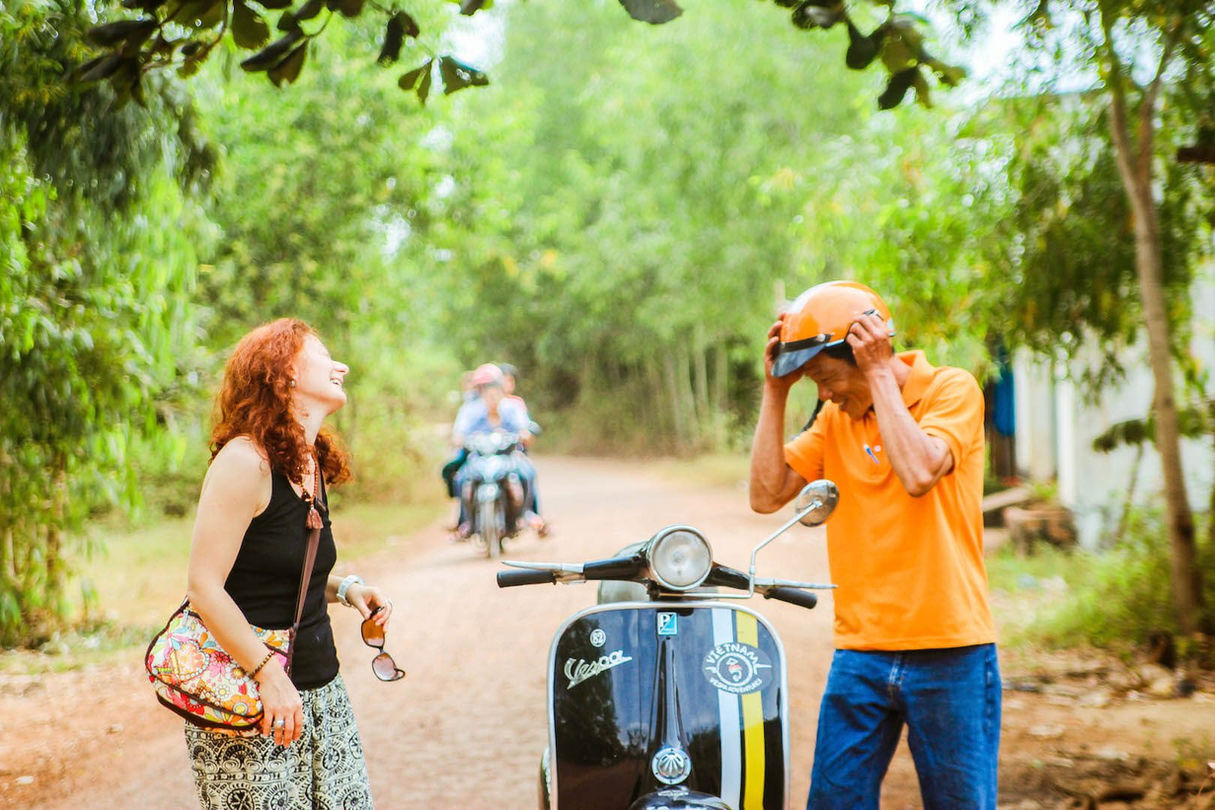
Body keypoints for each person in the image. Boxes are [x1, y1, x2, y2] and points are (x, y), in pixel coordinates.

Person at [748, 280, 999, 810]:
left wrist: (881, 373)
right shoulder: (836, 420)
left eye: (825, 377)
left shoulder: (952, 391)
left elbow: (919, 471)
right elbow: (766, 494)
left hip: (949, 649)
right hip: (859, 652)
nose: (823, 393)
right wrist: (775, 391)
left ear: (866, 351)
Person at [184, 318, 394, 810]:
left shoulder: (309, 461)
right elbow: (204, 586)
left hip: (322, 692)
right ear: (285, 375)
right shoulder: (244, 463)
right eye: (324, 355)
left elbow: (280, 569)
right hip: (252, 700)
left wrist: (347, 589)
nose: (340, 365)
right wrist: (268, 675)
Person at [451, 363, 547, 537]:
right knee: (461, 478)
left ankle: (525, 514)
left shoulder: (512, 407)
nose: (491, 396)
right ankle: (466, 521)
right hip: (480, 458)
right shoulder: (471, 410)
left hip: (508, 456)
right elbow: (460, 433)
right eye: (485, 390)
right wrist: (460, 439)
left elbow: (524, 428)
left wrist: (523, 435)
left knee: (527, 473)